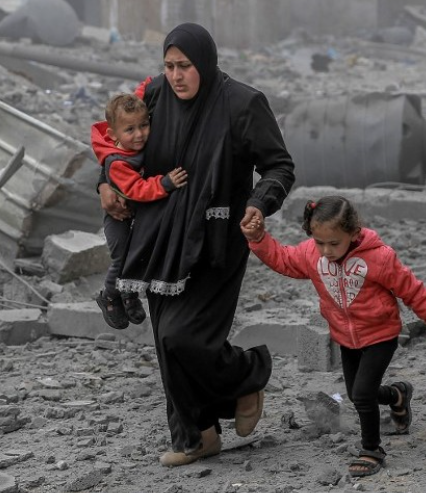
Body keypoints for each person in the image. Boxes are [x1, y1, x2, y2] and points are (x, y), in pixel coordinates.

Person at [98, 23, 295, 466]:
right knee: (166, 343)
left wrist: (260, 204)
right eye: (168, 66)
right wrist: (104, 184)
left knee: (182, 335)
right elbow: (119, 145)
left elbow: (279, 166)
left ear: (203, 62)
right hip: (156, 239)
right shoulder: (153, 99)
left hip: (216, 240)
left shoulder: (242, 103)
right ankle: (198, 436)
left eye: (184, 66)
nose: (175, 76)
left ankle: (247, 375)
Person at [240, 196, 426, 478]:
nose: (326, 250)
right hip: (345, 338)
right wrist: (259, 238)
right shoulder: (312, 255)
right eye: (319, 242)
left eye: (334, 243)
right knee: (357, 393)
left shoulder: (379, 257)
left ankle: (372, 449)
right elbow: (284, 259)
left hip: (380, 334)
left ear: (353, 232)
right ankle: (398, 394)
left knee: (361, 394)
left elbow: (409, 287)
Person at [90, 93, 188, 329]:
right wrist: (165, 184)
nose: (140, 134)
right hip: (119, 216)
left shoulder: (137, 146)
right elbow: (137, 189)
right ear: (113, 135)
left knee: (138, 254)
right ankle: (110, 296)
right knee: (123, 258)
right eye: (130, 130)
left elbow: (146, 89)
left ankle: (129, 294)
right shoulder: (117, 162)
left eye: (144, 125)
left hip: (137, 212)